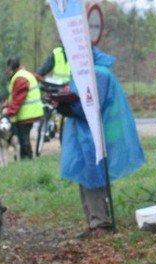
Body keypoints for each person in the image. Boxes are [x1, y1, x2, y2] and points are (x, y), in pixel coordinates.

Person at [54, 48, 145, 238]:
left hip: (95, 133)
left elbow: (91, 105)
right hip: (85, 133)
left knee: (93, 175)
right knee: (85, 175)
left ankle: (100, 223)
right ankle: (94, 222)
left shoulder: (97, 73)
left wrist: (66, 107)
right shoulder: (88, 70)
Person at [2, 56, 44, 160]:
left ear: (11, 69)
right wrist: (8, 104)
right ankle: (21, 157)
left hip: (26, 113)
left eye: (7, 69)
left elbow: (18, 99)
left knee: (23, 138)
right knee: (22, 137)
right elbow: (39, 78)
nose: (6, 72)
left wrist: (9, 111)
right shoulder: (24, 73)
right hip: (28, 112)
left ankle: (27, 158)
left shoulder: (20, 78)